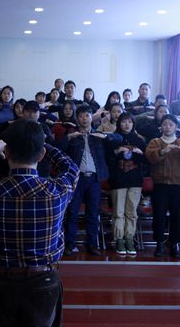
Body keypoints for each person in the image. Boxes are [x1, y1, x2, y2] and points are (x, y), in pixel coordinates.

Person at [0, 119, 79, 327]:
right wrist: (40, 143)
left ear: (6, 153)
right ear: (41, 155)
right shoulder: (57, 191)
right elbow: (71, 167)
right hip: (43, 281)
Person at [60, 105, 122, 256]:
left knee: (93, 213)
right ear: (77, 119)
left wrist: (105, 136)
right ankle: (70, 244)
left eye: (87, 116)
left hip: (95, 179)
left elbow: (119, 138)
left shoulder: (98, 134)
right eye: (81, 116)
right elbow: (57, 147)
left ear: (91, 117)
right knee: (72, 212)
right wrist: (69, 137)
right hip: (76, 179)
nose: (84, 119)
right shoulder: (72, 135)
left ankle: (92, 244)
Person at [145, 114, 180, 257]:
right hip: (160, 184)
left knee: (177, 215)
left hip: (179, 185)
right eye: (165, 124)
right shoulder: (155, 141)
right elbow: (149, 156)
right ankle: (159, 244)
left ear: (176, 127)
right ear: (161, 127)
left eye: (171, 125)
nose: (168, 127)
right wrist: (162, 151)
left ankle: (175, 244)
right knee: (159, 215)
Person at [106, 112, 147, 256]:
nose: (127, 124)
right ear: (119, 123)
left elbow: (147, 162)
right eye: (124, 121)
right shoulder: (112, 139)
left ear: (133, 123)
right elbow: (107, 160)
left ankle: (129, 238)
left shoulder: (139, 140)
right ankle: (118, 239)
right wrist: (117, 151)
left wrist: (140, 153)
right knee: (118, 212)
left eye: (130, 122)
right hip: (118, 180)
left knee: (131, 212)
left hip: (135, 180)